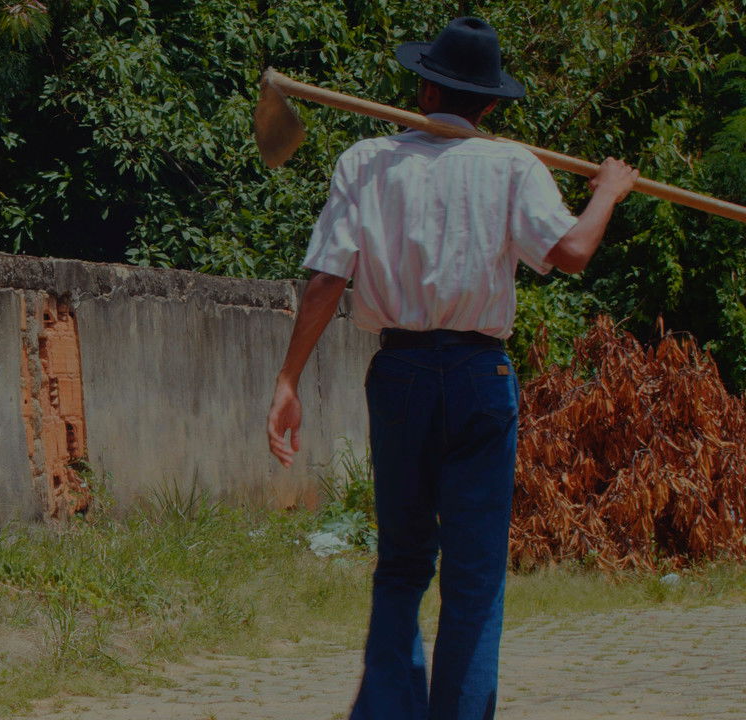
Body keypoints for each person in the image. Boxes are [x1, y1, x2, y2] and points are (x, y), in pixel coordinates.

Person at [265, 17, 638, 720]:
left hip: (400, 377)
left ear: (424, 84)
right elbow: (574, 253)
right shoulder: (510, 164)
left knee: (404, 565)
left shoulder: (365, 161)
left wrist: (288, 380)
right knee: (473, 584)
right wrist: (610, 190)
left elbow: (324, 281)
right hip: (477, 380)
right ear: (489, 103)